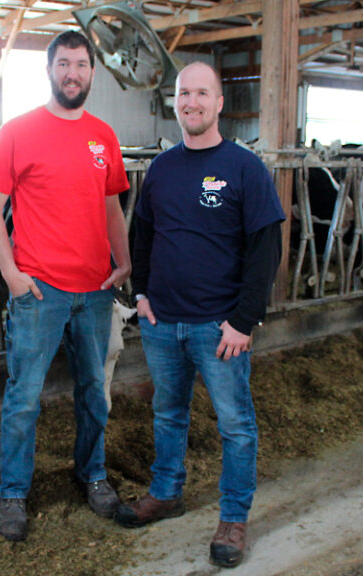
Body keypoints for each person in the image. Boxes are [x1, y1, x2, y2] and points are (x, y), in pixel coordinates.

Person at [114, 61, 285, 569]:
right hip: (163, 322)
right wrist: (142, 294)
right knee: (168, 412)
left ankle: (233, 518)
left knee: (235, 425)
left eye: (201, 93)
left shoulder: (244, 168)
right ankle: (166, 493)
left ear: (219, 104)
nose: (191, 102)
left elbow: (264, 248)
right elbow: (143, 234)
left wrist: (245, 319)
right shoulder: (163, 168)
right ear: (175, 101)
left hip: (219, 328)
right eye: (183, 93)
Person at [0, 30, 131, 542]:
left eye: (82, 64)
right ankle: (14, 492)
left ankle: (93, 475)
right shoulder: (19, 131)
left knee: (94, 390)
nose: (73, 73)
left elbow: (112, 206)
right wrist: (12, 275)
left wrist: (124, 261)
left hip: (94, 290)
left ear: (93, 72)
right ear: (49, 70)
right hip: (38, 290)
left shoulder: (103, 135)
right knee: (24, 396)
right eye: (64, 63)